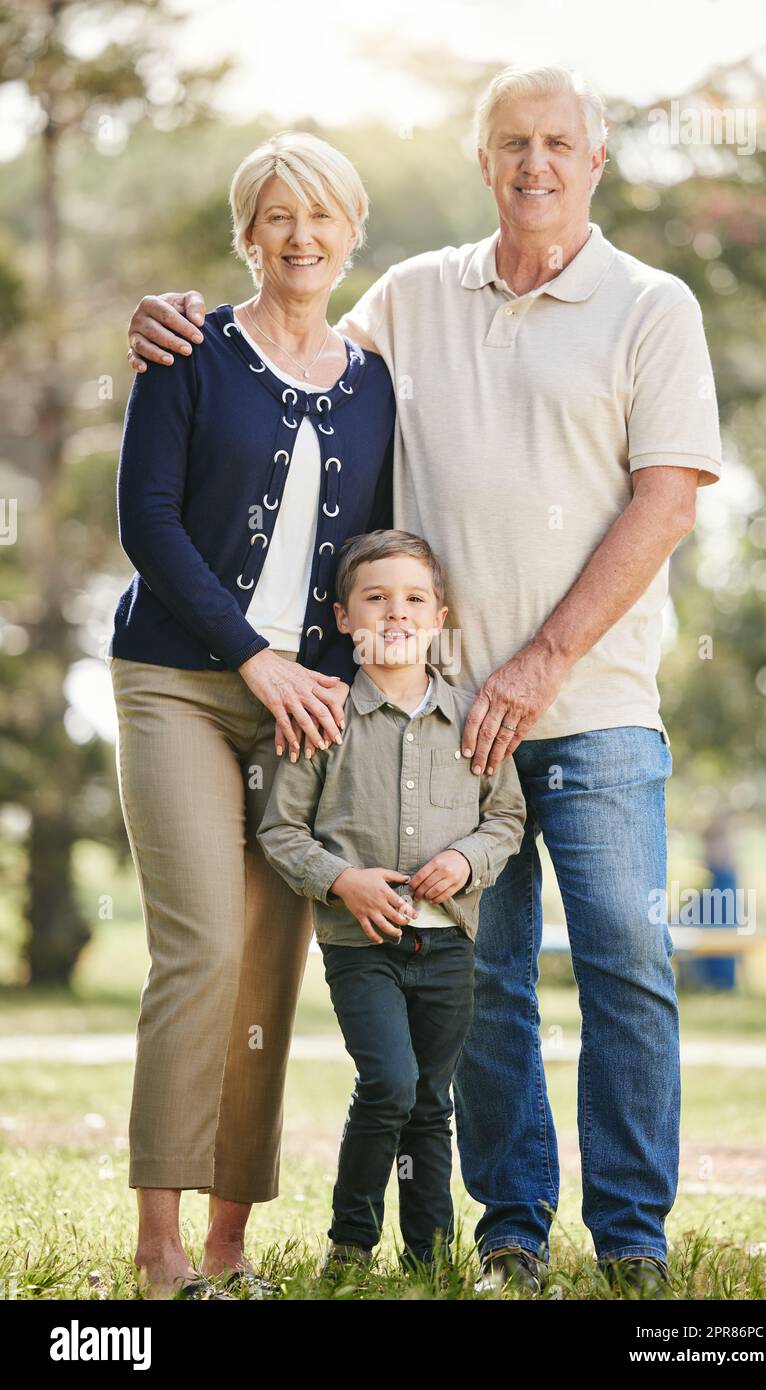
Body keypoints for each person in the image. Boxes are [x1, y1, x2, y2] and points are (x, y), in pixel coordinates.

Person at [125, 64, 722, 1297]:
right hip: (439, 722)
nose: (534, 164)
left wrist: (542, 659)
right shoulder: (411, 299)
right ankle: (509, 1230)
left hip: (593, 702)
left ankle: (631, 1244)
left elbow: (667, 497)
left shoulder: (652, 304)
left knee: (621, 956)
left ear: (594, 160)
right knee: (482, 976)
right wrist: (168, 319)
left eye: (559, 142)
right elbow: (281, 339)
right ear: (483, 159)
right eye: (511, 142)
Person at [109, 131, 394, 1298]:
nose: (301, 236)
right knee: (204, 949)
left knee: (270, 970)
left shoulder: (375, 378)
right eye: (278, 215)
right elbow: (149, 525)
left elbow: (372, 539)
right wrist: (254, 659)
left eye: (321, 215)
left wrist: (344, 671)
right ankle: (157, 1249)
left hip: (305, 707)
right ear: (247, 233)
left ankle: (229, 1249)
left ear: (352, 232)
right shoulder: (186, 354)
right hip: (179, 678)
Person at [256, 530, 526, 1273]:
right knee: (388, 1084)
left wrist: (463, 860)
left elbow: (505, 820)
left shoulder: (475, 721)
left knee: (431, 1103)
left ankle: (430, 1258)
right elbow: (279, 830)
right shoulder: (324, 717)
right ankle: (350, 1244)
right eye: (376, 599)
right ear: (344, 618)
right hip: (359, 945)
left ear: (440, 617)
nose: (396, 614)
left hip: (447, 946)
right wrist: (342, 879)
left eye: (414, 599)